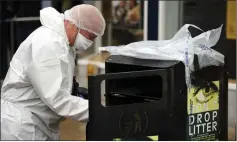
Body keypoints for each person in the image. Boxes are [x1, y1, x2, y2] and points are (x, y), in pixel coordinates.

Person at [1, 4, 106, 140]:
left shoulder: (64, 42)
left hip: (39, 120)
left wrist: (75, 91)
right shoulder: (48, 43)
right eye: (90, 36)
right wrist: (99, 109)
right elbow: (57, 99)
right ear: (76, 26)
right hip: (23, 125)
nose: (90, 42)